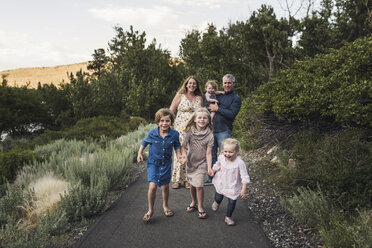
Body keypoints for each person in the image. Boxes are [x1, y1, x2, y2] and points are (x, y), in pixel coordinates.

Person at [137, 108, 185, 222]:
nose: (164, 123)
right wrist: (139, 153)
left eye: (167, 121)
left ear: (171, 122)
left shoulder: (174, 134)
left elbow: (177, 146)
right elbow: (144, 142)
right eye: (162, 121)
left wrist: (179, 156)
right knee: (153, 186)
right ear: (157, 122)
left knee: (165, 187)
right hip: (153, 163)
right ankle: (150, 210)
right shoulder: (152, 133)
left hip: (166, 164)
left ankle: (165, 206)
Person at [206, 74, 242, 185]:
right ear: (222, 84)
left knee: (226, 156)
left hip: (224, 131)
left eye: (229, 83)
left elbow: (232, 114)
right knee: (211, 154)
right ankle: (211, 178)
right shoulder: (218, 95)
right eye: (225, 83)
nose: (227, 85)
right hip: (211, 130)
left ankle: (227, 179)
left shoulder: (236, 98)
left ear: (233, 84)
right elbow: (207, 101)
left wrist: (218, 109)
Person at [170, 76, 203, 189]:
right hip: (180, 129)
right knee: (180, 151)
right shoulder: (180, 95)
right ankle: (178, 179)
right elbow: (171, 110)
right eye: (190, 83)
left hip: (195, 129)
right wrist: (168, 125)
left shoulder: (199, 97)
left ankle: (188, 179)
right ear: (186, 84)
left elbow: (202, 113)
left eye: (194, 83)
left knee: (191, 153)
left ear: (197, 85)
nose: (192, 85)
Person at [181, 108, 214, 219]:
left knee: (199, 185)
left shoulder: (210, 136)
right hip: (190, 162)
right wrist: (184, 156)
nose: (202, 120)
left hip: (202, 163)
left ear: (208, 120)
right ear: (195, 119)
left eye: (205, 118)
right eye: (199, 117)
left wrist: (209, 167)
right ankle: (193, 201)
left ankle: (200, 206)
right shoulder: (189, 132)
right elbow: (183, 147)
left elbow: (209, 153)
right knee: (192, 184)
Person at [210, 138, 250, 226]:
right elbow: (217, 165)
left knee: (232, 201)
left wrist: (243, 189)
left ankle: (228, 217)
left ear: (237, 152)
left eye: (230, 152)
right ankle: (216, 202)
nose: (227, 154)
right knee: (218, 197)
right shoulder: (221, 158)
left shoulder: (240, 163)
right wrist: (213, 170)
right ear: (222, 151)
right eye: (225, 151)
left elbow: (244, 176)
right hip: (222, 182)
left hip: (233, 185)